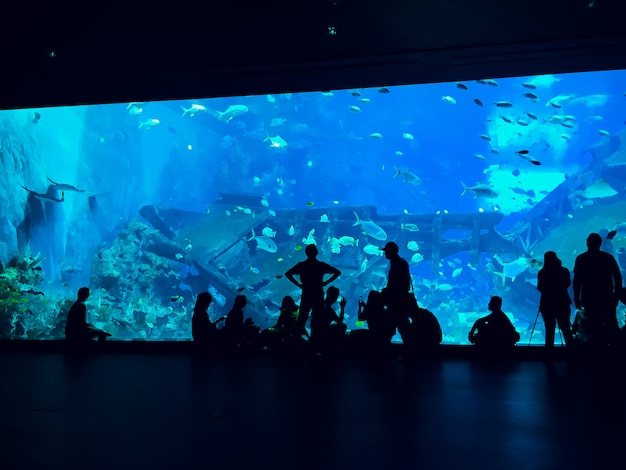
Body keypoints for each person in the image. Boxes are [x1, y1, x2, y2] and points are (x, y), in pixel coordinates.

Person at [573, 233, 622, 347]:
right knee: (611, 322)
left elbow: (577, 280)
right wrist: (617, 295)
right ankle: (618, 350)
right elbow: (617, 277)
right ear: (600, 243)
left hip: (589, 297)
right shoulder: (607, 257)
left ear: (587, 243)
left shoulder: (581, 258)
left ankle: (598, 350)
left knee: (594, 324)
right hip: (607, 296)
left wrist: (576, 297)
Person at [285, 244, 341, 338]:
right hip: (318, 293)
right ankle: (314, 340)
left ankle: (296, 341)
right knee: (316, 319)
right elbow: (337, 272)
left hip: (306, 292)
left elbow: (288, 274)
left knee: (302, 317)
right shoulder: (321, 265)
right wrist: (326, 282)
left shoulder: (302, 265)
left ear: (306, 253)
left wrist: (298, 284)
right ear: (317, 252)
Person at [537, 251, 575, 348]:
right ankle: (571, 351)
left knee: (549, 328)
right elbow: (567, 284)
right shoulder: (564, 271)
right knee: (565, 327)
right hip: (562, 301)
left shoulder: (542, 272)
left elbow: (540, 287)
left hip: (547, 303)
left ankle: (549, 352)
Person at [380, 241, 412, 339]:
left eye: (386, 251)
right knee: (401, 327)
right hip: (397, 300)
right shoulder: (399, 262)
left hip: (397, 301)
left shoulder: (399, 263)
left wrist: (388, 292)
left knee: (399, 327)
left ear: (392, 251)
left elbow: (399, 283)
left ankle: (410, 350)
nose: (385, 253)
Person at [311, 286, 347, 353]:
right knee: (343, 326)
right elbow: (340, 321)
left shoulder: (320, 304)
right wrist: (342, 307)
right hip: (324, 333)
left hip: (315, 332)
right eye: (336, 296)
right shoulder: (329, 309)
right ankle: (332, 344)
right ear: (334, 297)